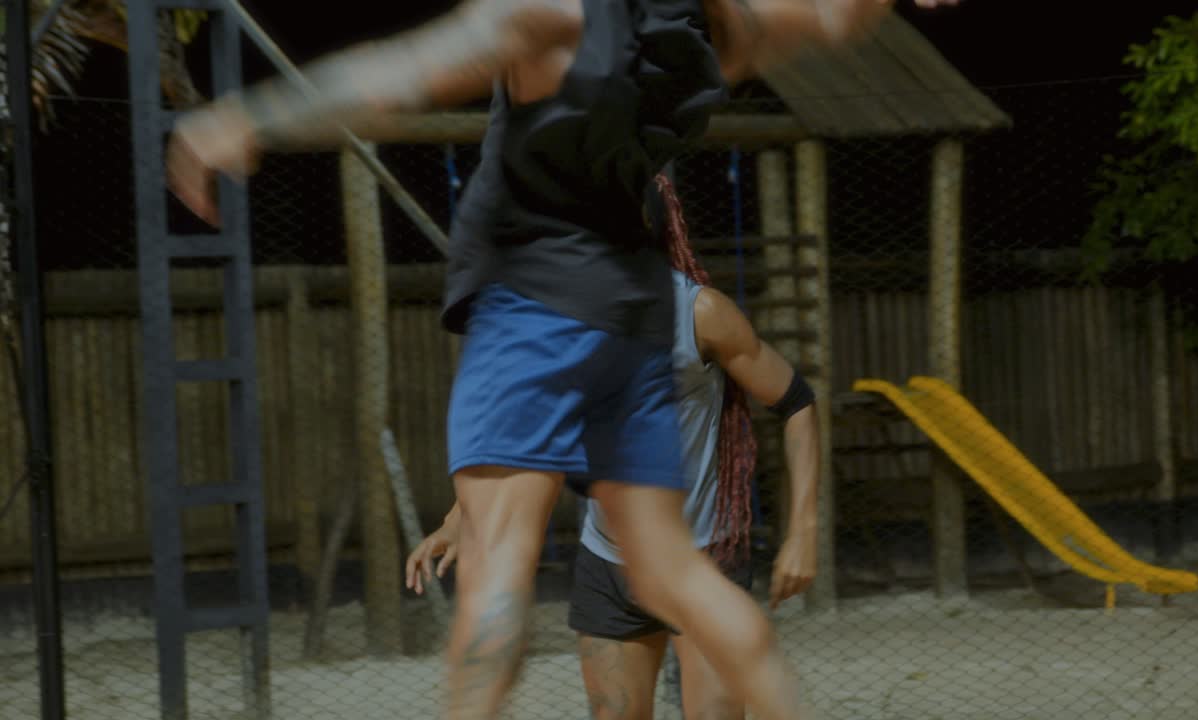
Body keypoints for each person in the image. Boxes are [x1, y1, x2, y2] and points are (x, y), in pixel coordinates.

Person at [164, 2, 957, 718]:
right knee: (673, 572)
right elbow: (825, 19)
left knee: (496, 569)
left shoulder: (553, 15)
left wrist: (250, 118)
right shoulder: (703, 31)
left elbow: (398, 74)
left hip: (531, 300)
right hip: (636, 308)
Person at [407, 172, 823, 720]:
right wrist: (458, 518)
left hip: (705, 557)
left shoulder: (699, 314)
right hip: (609, 563)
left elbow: (797, 404)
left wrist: (804, 533)